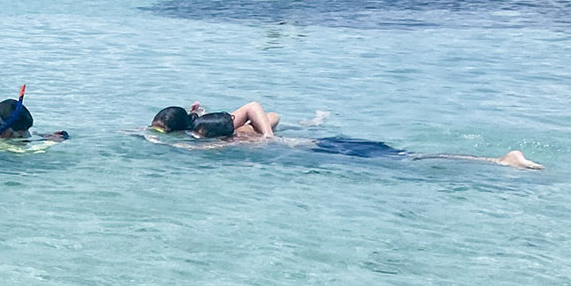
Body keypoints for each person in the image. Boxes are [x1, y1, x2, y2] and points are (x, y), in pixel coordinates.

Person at [149, 104, 540, 168]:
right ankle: (501, 161)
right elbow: (269, 113)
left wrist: (267, 141)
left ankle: (502, 161)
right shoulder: (241, 133)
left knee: (411, 159)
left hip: (331, 151)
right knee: (408, 156)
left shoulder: (234, 141)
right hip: (330, 147)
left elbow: (190, 147)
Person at [150, 102, 278, 139]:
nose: (156, 131)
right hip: (209, 126)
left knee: (272, 118)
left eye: (161, 130)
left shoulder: (202, 126)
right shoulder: (193, 129)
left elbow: (253, 106)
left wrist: (268, 136)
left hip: (217, 124)